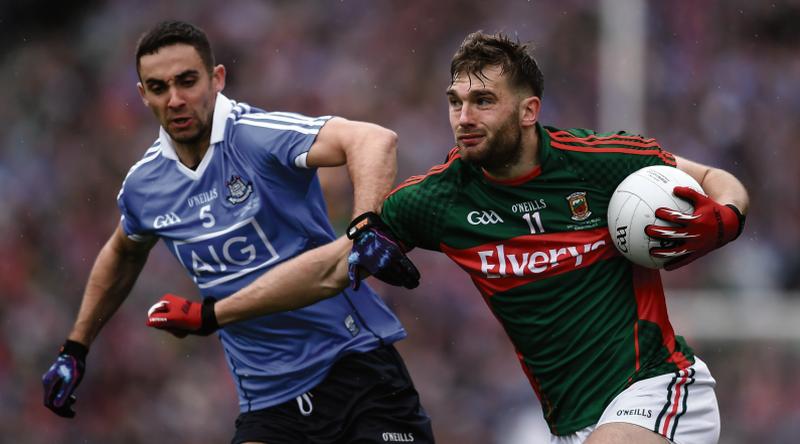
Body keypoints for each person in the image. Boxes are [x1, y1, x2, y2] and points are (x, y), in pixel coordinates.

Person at [147, 31, 749, 444]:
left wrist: (724, 219)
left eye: (483, 101)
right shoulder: (437, 200)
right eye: (455, 101)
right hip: (569, 421)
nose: (464, 116)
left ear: (528, 109)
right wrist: (212, 313)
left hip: (659, 387)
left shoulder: (602, 161)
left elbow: (721, 182)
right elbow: (332, 268)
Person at [41, 20, 434, 444]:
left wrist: (364, 226)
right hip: (268, 402)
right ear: (142, 95)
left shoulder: (257, 137)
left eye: (187, 81)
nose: (175, 100)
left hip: (355, 367)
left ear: (217, 79)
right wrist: (75, 348)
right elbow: (123, 251)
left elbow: (373, 140)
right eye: (158, 88)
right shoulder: (144, 186)